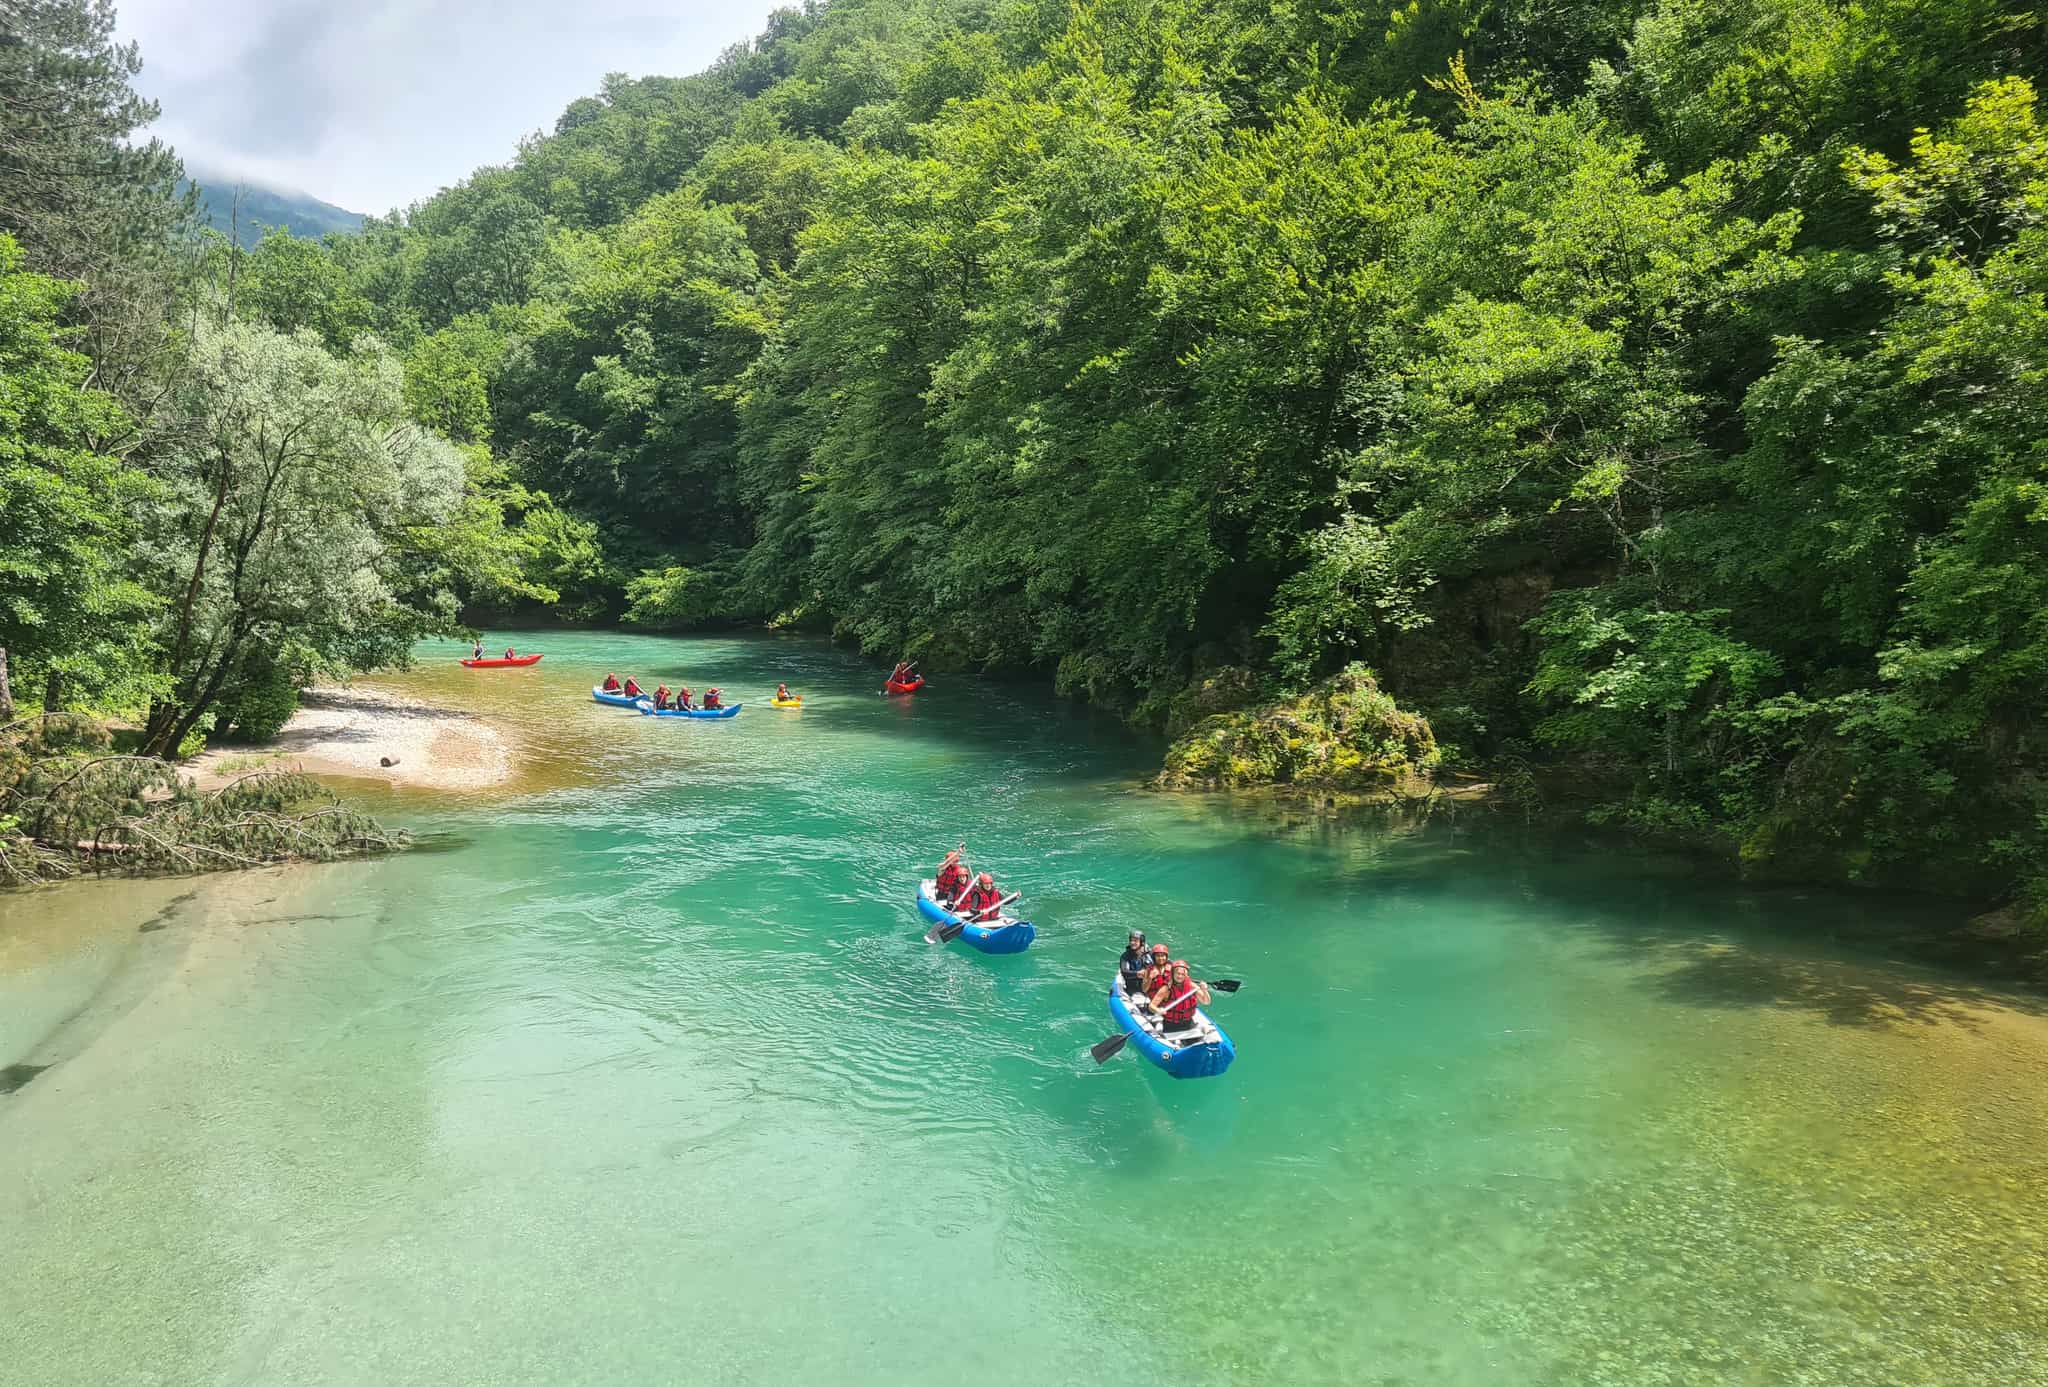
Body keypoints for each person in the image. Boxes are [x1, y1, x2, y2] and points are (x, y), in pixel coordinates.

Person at [1149, 960, 1211, 1035]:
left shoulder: (1191, 986)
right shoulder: (1166, 989)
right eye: (1178, 973)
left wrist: (1204, 990)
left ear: (1186, 975)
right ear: (1173, 974)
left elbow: (1206, 1002)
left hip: (1188, 1023)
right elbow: (1151, 1006)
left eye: (1182, 974)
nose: (1180, 976)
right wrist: (1158, 1010)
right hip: (1171, 1025)